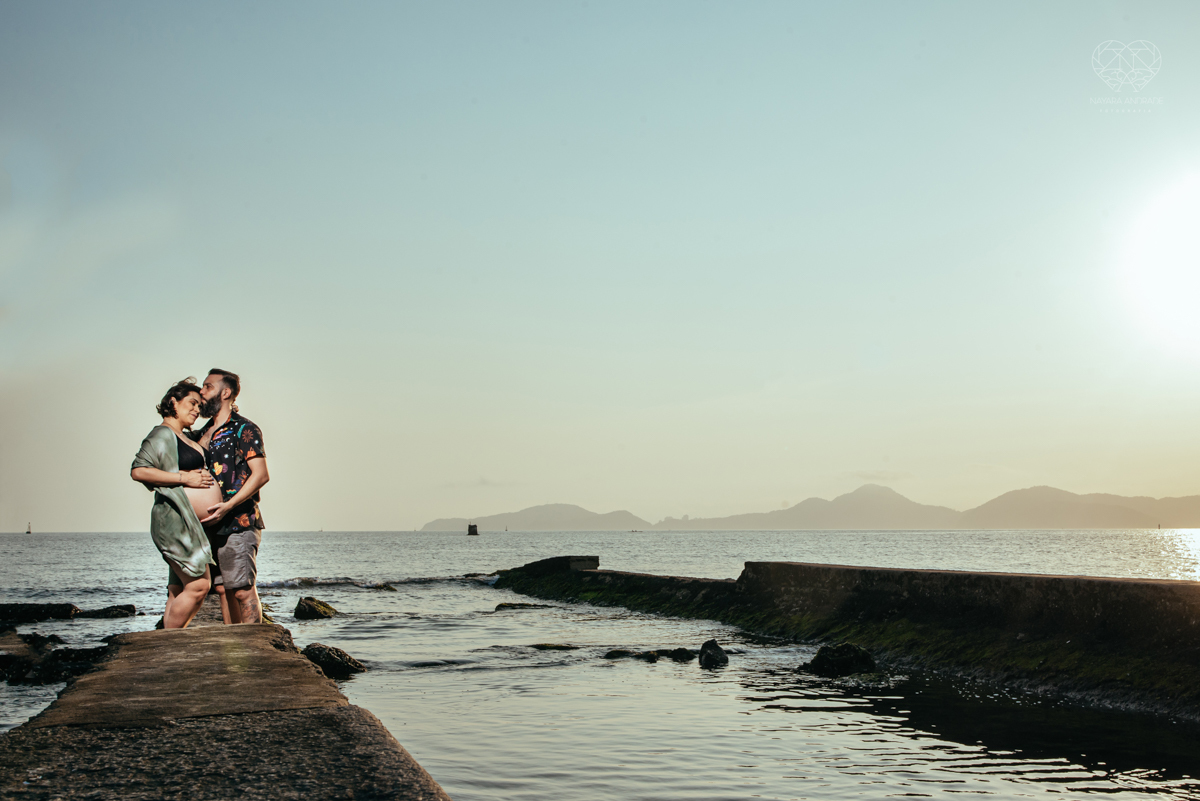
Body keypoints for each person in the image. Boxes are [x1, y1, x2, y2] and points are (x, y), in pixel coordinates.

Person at [130, 379, 221, 628]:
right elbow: (139, 471)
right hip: (173, 520)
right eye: (192, 403)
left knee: (177, 588)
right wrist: (185, 478)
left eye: (199, 406)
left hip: (189, 523)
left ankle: (169, 641)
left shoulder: (183, 436)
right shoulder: (162, 434)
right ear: (173, 402)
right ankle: (169, 639)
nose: (196, 410)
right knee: (200, 585)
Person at [192, 368, 270, 624]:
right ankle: (235, 650)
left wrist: (228, 506)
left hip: (239, 521)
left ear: (226, 393)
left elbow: (260, 475)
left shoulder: (243, 429)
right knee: (222, 589)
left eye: (207, 387)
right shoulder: (201, 433)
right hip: (207, 527)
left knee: (242, 589)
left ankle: (255, 648)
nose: (201, 393)